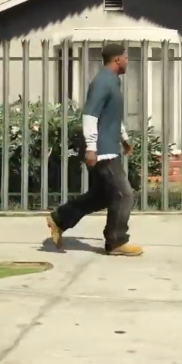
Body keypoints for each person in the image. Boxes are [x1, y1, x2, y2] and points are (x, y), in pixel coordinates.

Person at [46, 42, 143, 256]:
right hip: (102, 150)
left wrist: (124, 138)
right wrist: (91, 147)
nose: (128, 61)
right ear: (117, 59)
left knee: (101, 196)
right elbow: (90, 115)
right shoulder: (102, 82)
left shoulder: (112, 81)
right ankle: (116, 241)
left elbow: (112, 116)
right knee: (124, 194)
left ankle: (59, 219)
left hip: (108, 147)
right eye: (126, 57)